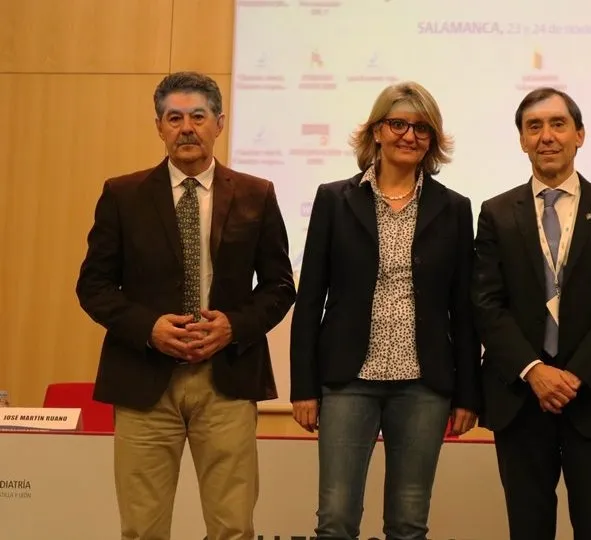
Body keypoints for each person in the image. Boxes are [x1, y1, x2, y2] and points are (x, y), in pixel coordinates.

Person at [76, 71, 296, 540]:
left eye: (198, 116)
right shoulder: (123, 194)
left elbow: (279, 285)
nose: (187, 128)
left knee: (233, 526)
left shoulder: (257, 194)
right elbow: (93, 287)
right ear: (159, 127)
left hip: (227, 381)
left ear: (219, 122)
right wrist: (148, 327)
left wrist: (233, 327)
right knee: (141, 528)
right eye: (174, 118)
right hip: (142, 381)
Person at [289, 81, 481, 540]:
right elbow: (311, 296)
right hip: (347, 381)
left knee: (409, 524)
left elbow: (465, 308)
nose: (409, 135)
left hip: (424, 384)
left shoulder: (453, 208)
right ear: (377, 131)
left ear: (432, 140)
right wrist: (303, 387)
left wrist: (469, 395)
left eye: (421, 128)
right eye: (398, 124)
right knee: (335, 519)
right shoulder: (334, 199)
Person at [472, 87, 591, 540]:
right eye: (534, 127)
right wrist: (534, 371)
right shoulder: (495, 213)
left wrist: (574, 376)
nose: (546, 136)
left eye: (557, 124)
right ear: (522, 141)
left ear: (579, 135)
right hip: (521, 400)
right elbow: (486, 303)